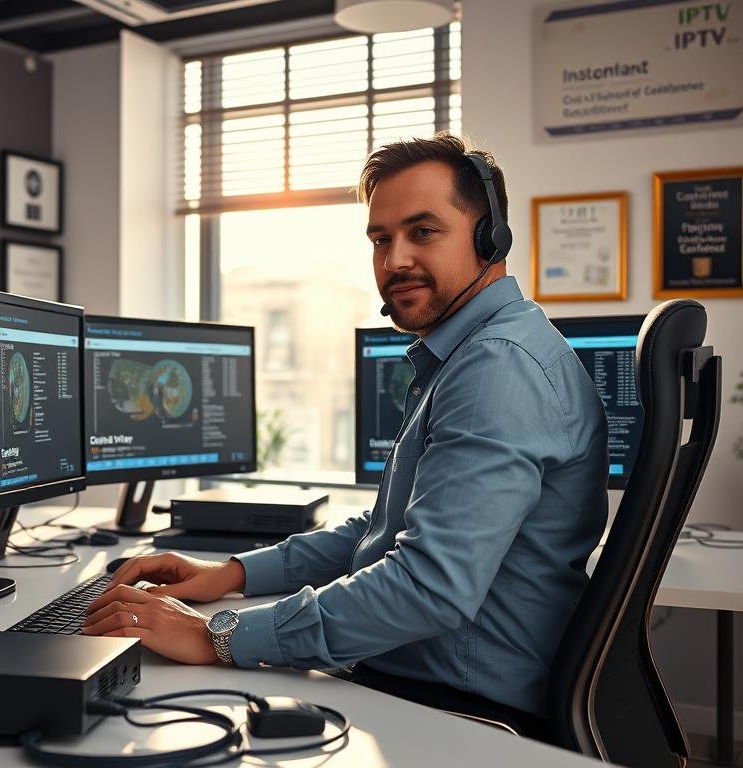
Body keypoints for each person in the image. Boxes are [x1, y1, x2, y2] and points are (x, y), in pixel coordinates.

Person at [82, 133, 608, 717]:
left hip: (453, 704)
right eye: (381, 240)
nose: (395, 259)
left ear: (491, 235)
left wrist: (219, 636)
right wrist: (228, 574)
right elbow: (385, 526)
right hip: (420, 676)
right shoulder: (472, 353)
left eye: (424, 231)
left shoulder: (496, 367)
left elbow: (426, 588)